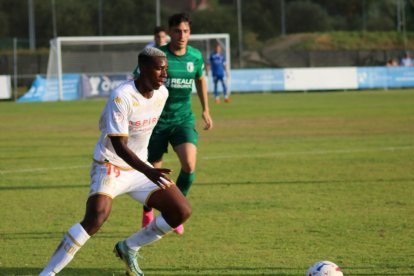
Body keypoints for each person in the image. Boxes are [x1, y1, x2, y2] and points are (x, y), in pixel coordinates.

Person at [39, 47, 192, 276]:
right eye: (159, 69)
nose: (164, 74)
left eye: (166, 69)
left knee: (181, 211)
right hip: (110, 164)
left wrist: (147, 167)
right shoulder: (122, 96)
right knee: (96, 218)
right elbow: (120, 146)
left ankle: (129, 247)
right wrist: (149, 171)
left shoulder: (162, 94)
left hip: (140, 168)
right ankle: (47, 274)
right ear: (143, 68)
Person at [138, 12, 213, 235]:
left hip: (182, 119)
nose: (182, 35)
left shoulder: (195, 57)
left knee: (189, 166)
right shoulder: (158, 57)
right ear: (169, 32)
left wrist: (206, 110)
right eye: (178, 31)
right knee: (154, 173)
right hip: (156, 122)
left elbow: (200, 79)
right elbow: (138, 80)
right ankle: (147, 209)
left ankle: (174, 211)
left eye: (186, 31)